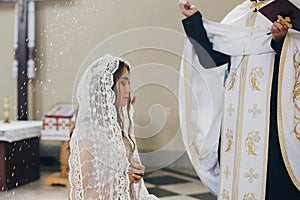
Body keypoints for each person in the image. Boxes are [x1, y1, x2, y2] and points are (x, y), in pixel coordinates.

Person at [178, 0, 300, 199]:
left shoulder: (289, 8)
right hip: (235, 123)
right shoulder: (239, 13)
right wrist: (194, 21)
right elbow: (213, 60)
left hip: (271, 121)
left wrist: (281, 40)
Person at [68, 54, 158, 200]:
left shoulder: (117, 129)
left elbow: (121, 175)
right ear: (106, 87)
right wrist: (125, 180)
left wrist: (135, 173)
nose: (129, 90)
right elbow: (82, 195)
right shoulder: (87, 136)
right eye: (123, 83)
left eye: (128, 83)